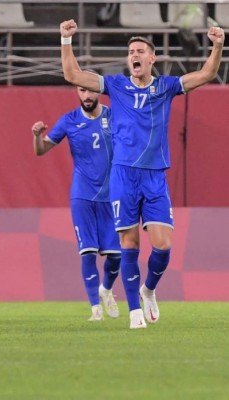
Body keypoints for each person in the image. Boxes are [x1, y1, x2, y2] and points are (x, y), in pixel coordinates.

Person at [60, 20, 225, 329]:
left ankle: (148, 289)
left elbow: (206, 74)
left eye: (139, 51)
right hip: (123, 176)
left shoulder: (166, 87)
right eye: (130, 52)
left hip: (154, 177)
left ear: (152, 58)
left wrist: (217, 46)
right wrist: (66, 41)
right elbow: (72, 75)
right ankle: (135, 312)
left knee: (163, 245)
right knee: (129, 243)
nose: (133, 55)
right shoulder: (115, 85)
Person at [32, 82, 121, 322]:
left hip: (112, 196)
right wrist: (36, 137)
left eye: (91, 90)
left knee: (116, 255)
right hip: (82, 195)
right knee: (88, 252)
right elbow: (41, 151)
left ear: (99, 91)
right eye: (82, 90)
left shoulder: (115, 116)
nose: (87, 95)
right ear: (77, 93)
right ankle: (95, 308)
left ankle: (106, 289)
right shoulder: (69, 120)